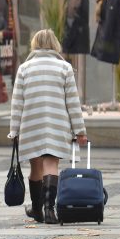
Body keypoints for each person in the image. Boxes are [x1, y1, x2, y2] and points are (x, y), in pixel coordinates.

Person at [9, 29, 87, 225]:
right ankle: (49, 209)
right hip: (57, 122)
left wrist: (14, 130)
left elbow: (17, 102)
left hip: (31, 122)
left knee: (36, 167)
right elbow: (73, 102)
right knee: (51, 164)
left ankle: (36, 210)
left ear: (34, 44)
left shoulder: (24, 68)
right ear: (55, 44)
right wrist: (80, 131)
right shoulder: (65, 68)